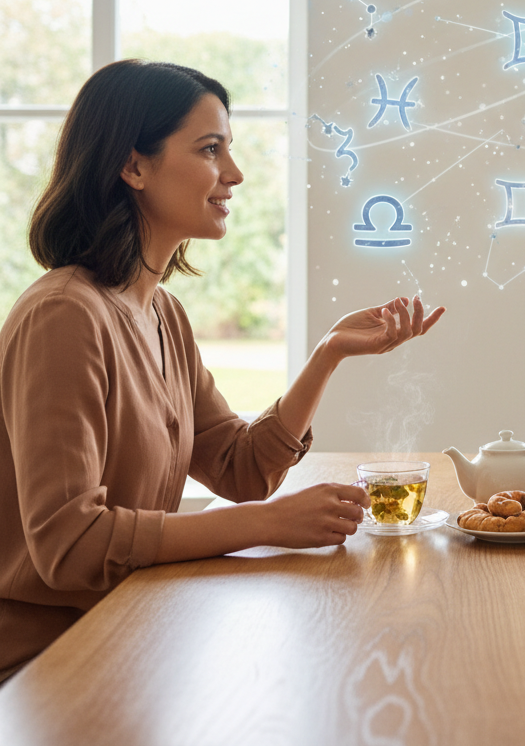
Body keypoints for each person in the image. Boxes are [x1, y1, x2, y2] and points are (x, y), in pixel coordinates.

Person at [0, 60, 445, 682]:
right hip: (47, 668)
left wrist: (328, 354)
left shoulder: (162, 314)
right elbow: (69, 548)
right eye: (211, 150)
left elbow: (241, 469)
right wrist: (264, 525)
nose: (233, 175)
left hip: (132, 636)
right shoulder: (63, 317)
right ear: (133, 166)